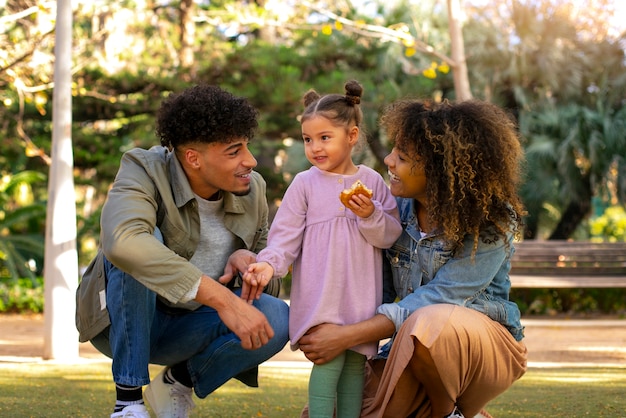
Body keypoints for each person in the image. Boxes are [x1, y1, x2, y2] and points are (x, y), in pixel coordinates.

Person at [298, 98, 528, 418]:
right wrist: (338, 336)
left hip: (484, 349)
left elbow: (441, 296)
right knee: (328, 411)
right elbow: (374, 285)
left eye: (402, 157)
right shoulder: (393, 210)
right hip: (412, 349)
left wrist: (346, 336)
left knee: (427, 321)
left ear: (439, 169)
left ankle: (448, 413)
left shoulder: (490, 218)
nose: (389, 160)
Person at [75, 85, 290, 418]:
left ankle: (178, 380)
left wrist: (253, 265)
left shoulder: (254, 189)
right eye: (234, 151)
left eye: (246, 146)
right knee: (145, 241)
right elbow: (123, 242)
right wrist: (223, 299)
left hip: (190, 328)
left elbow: (269, 274)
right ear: (193, 158)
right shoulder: (143, 168)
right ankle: (128, 402)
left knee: (278, 317)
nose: (250, 160)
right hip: (121, 324)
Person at [243, 80, 402, 418]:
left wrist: (369, 214)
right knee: (329, 364)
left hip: (360, 300)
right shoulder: (304, 184)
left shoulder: (372, 182)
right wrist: (269, 265)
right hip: (322, 297)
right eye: (308, 139)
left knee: (354, 373)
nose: (314, 148)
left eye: (324, 138)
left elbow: (389, 236)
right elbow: (284, 237)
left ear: (352, 136)